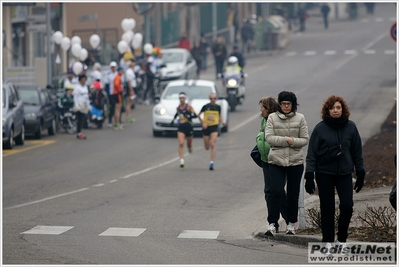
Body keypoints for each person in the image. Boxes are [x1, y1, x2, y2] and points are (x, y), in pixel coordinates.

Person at [304, 95, 365, 246]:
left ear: (343, 109)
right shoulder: (320, 128)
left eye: (338, 108)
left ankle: (342, 240)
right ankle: (328, 241)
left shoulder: (351, 127)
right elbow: (311, 154)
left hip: (344, 173)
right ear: (327, 110)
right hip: (324, 173)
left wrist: (361, 172)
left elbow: (357, 151)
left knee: (347, 206)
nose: (335, 110)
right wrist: (309, 176)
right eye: (332, 108)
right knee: (327, 209)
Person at [265, 91, 309, 236]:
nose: (286, 106)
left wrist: (293, 141)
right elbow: (269, 138)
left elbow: (304, 139)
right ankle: (272, 223)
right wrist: (286, 140)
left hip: (295, 162)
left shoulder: (300, 118)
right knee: (275, 191)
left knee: (293, 194)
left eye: (288, 104)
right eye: (283, 103)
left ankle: (291, 224)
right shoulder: (272, 117)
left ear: (293, 105)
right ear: (279, 104)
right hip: (276, 161)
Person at [256, 96, 287, 235]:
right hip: (265, 160)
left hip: (276, 160)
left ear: (269, 109)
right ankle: (272, 223)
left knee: (277, 191)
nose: (260, 110)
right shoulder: (264, 120)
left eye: (263, 107)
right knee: (269, 192)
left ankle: (289, 218)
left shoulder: (277, 120)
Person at [197, 93, 227, 170]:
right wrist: (202, 123)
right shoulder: (205, 107)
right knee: (207, 147)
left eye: (214, 98)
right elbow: (198, 115)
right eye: (211, 98)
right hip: (206, 128)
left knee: (212, 144)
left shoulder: (218, 107)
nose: (213, 100)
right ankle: (209, 147)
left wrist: (222, 121)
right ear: (209, 99)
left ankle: (212, 163)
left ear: (216, 99)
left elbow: (219, 115)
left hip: (214, 127)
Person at [170, 92, 198, 168]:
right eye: (180, 98)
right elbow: (177, 114)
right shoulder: (178, 108)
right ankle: (181, 160)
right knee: (181, 143)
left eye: (183, 98)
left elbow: (195, 115)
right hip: (181, 127)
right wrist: (173, 120)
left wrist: (189, 116)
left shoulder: (189, 107)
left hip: (189, 127)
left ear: (185, 99)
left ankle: (189, 148)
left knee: (189, 143)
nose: (181, 100)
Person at [73, 74, 91, 139]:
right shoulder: (77, 87)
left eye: (84, 80)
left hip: (84, 105)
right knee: (80, 119)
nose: (84, 81)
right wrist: (77, 105)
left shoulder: (85, 87)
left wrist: (88, 104)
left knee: (83, 119)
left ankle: (80, 131)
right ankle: (79, 133)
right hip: (79, 105)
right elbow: (75, 97)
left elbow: (86, 96)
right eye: (82, 80)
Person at [105, 61, 118, 127]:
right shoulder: (108, 74)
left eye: (114, 67)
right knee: (111, 107)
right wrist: (107, 94)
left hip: (117, 93)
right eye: (112, 67)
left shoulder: (117, 74)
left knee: (118, 107)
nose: (113, 68)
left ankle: (117, 120)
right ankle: (110, 120)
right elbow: (107, 85)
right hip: (111, 93)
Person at [112, 66, 125, 130]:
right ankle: (117, 122)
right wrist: (120, 90)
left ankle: (116, 122)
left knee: (117, 109)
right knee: (118, 109)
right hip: (117, 94)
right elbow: (117, 84)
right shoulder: (118, 77)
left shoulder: (118, 76)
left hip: (116, 93)